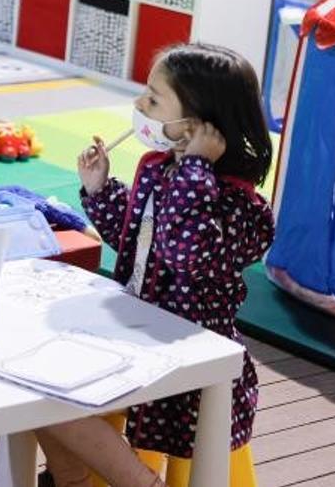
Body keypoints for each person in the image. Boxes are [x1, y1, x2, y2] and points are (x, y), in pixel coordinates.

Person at [35, 43, 276, 487]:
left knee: (64, 401)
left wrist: (196, 170)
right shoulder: (162, 168)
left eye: (153, 99)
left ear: (200, 123)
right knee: (43, 389)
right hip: (135, 328)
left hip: (187, 351)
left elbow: (186, 253)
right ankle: (76, 478)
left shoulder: (242, 204)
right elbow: (138, 244)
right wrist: (101, 189)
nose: (138, 105)